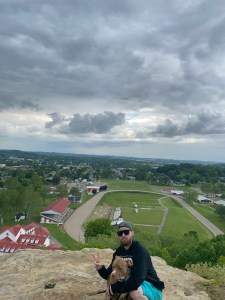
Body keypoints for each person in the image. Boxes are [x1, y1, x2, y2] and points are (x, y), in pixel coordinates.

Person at [93, 221, 164, 300]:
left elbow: (137, 280)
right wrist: (100, 268)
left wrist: (113, 288)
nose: (123, 235)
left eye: (126, 232)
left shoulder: (140, 251)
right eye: (120, 233)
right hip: (134, 283)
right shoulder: (119, 252)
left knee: (134, 292)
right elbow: (110, 274)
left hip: (150, 285)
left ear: (132, 233)